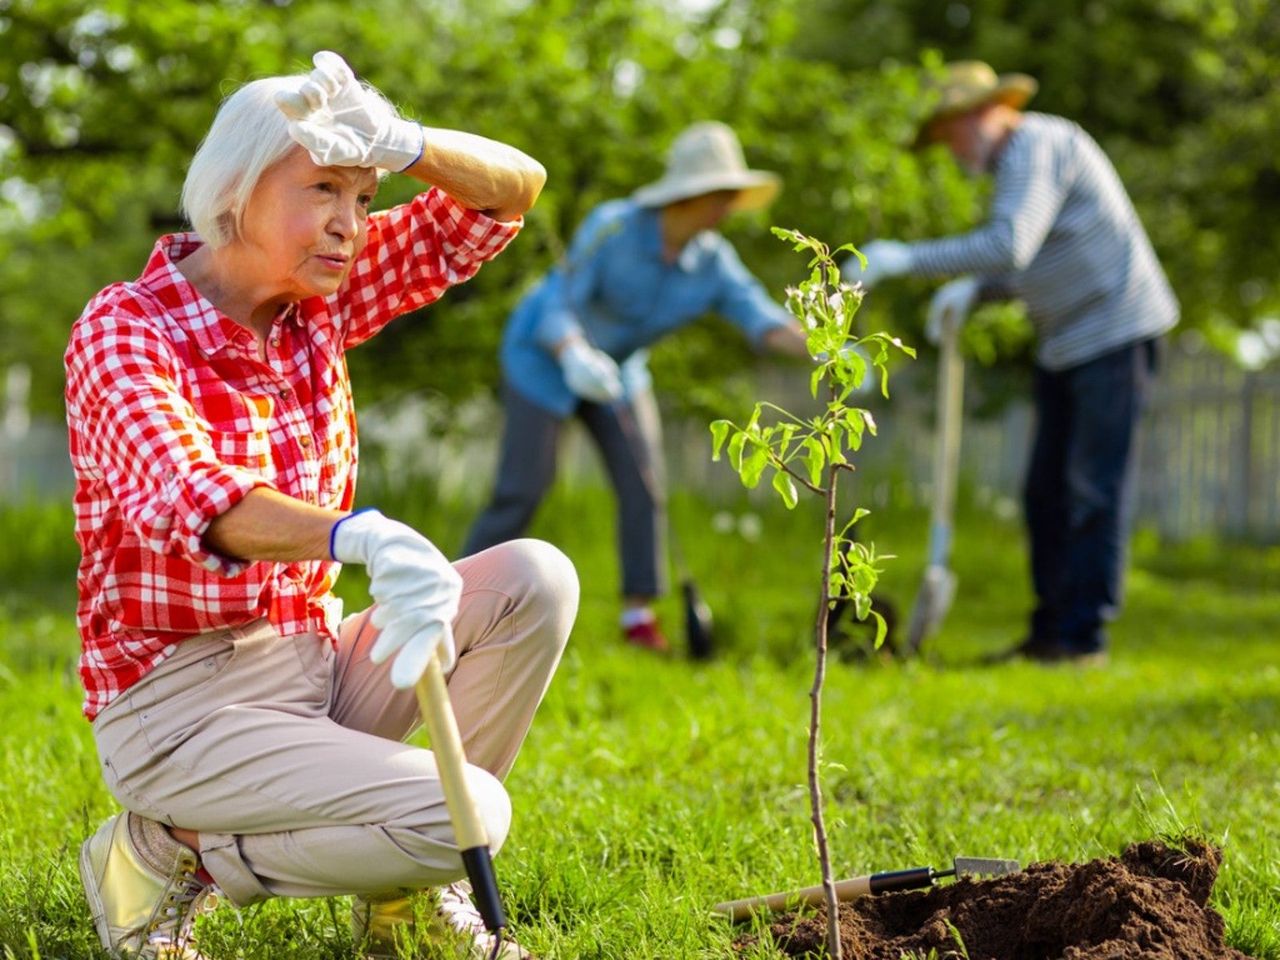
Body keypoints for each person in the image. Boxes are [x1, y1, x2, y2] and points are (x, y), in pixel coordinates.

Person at [64, 51, 574, 960]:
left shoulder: (318, 303)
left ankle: (403, 909)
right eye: (323, 190)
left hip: (309, 661)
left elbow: (509, 196)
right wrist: (353, 534)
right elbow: (198, 499)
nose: (350, 224)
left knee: (536, 577)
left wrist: (407, 143)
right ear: (234, 192)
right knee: (469, 813)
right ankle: (160, 849)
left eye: (363, 196)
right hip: (179, 708)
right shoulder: (123, 329)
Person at [849, 61, 1178, 665]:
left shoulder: (1037, 145)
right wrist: (980, 290)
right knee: (1044, 492)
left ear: (981, 114)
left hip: (1115, 331)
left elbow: (1010, 244)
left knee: (1091, 490)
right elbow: (1036, 255)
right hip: (1065, 341)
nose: (950, 152)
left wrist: (903, 259)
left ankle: (1083, 639)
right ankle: (1050, 630)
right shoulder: (1016, 163)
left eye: (949, 136)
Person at [462, 121, 811, 652]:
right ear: (689, 195)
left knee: (644, 482)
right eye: (720, 196)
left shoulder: (712, 262)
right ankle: (451, 598)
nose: (726, 208)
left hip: (620, 372)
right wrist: (574, 352)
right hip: (543, 355)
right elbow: (558, 300)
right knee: (525, 486)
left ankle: (637, 618)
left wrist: (830, 354)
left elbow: (761, 318)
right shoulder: (614, 228)